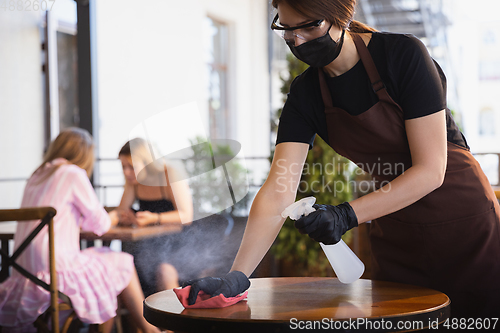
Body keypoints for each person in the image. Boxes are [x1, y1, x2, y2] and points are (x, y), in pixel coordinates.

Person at [183, 0, 500, 319]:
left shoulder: (403, 55)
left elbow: (431, 170)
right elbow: (279, 189)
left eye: (310, 26)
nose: (299, 40)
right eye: (288, 29)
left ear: (341, 17)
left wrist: (345, 216)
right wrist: (238, 276)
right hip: (396, 226)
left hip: (463, 222)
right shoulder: (305, 95)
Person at [0, 128, 160, 332]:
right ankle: (150, 330)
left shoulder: (37, 175)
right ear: (84, 154)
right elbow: (101, 224)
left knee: (105, 268)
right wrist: (117, 216)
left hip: (24, 275)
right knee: (120, 263)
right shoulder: (73, 173)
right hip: (55, 273)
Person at [110, 138, 194, 296]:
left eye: (132, 167)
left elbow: (186, 215)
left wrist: (154, 218)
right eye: (123, 167)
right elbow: (122, 211)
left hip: (179, 244)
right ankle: (137, 319)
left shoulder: (170, 173)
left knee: (164, 272)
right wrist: (128, 218)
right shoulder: (134, 180)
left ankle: (175, 319)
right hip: (150, 245)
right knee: (123, 268)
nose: (127, 172)